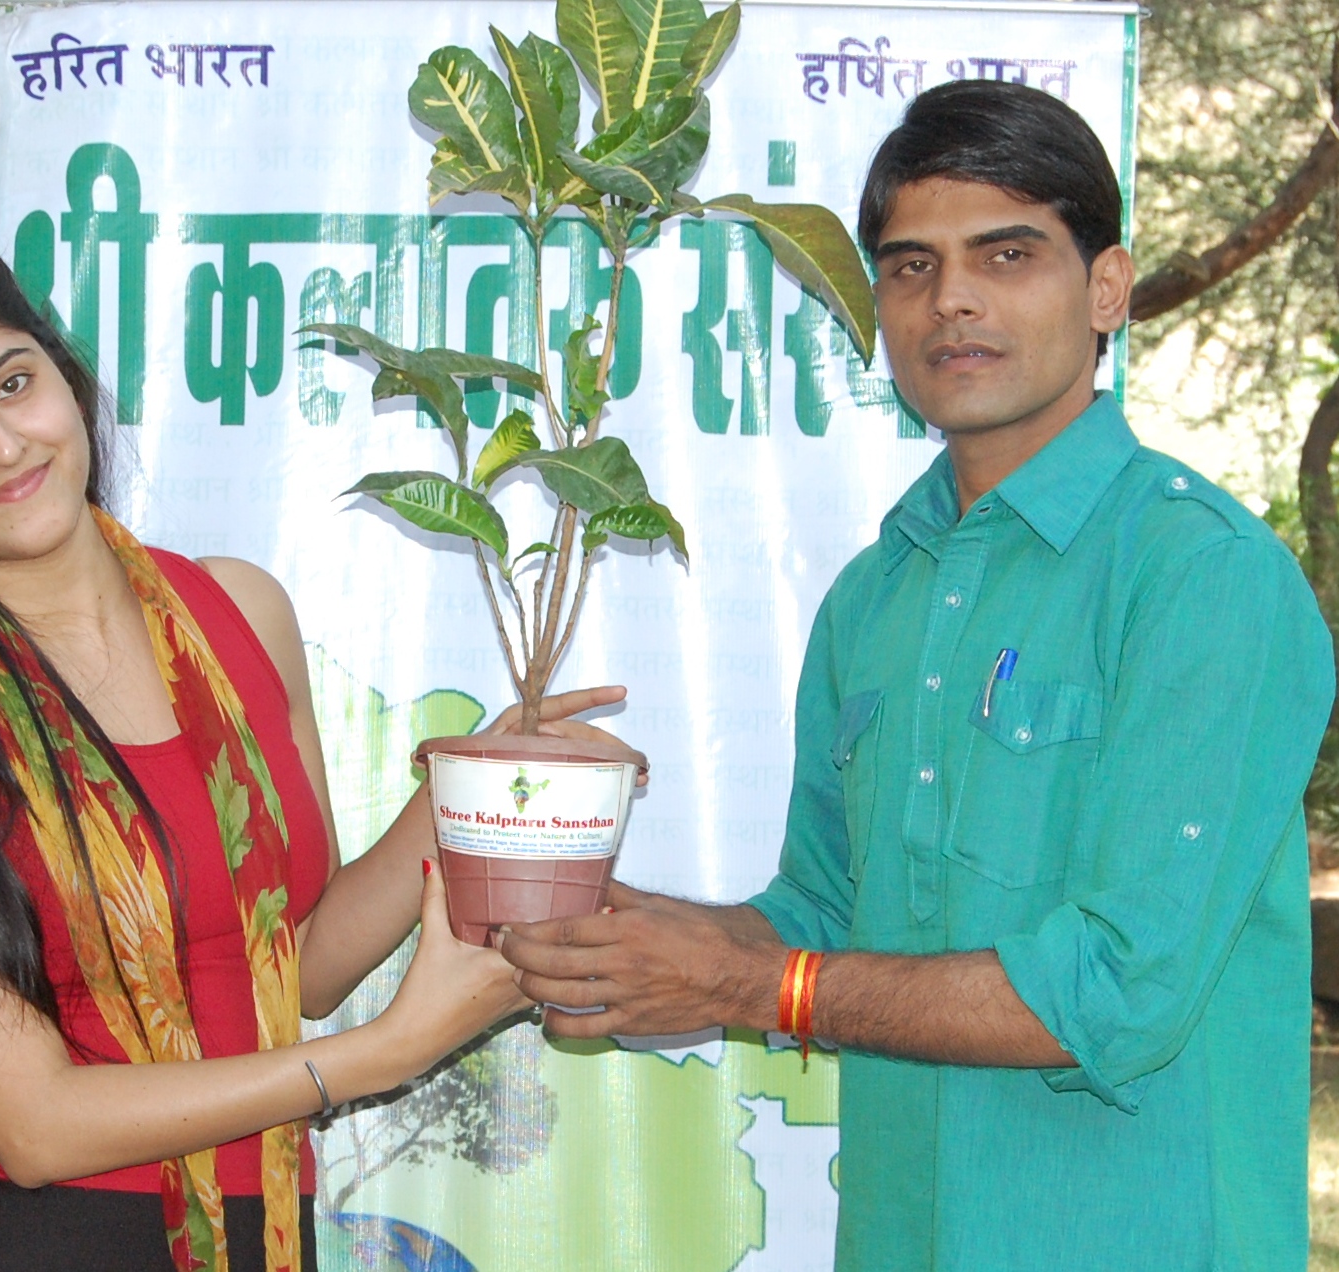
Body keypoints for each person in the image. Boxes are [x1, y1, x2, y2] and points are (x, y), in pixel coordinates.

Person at [499, 79, 1334, 1269]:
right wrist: (632, 939)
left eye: (1006, 254)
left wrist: (750, 988)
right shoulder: (874, 596)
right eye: (909, 267)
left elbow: (1115, 989)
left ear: (1105, 288)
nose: (951, 300)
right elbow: (825, 917)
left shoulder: (1201, 575)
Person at [0, 230, 620, 1272]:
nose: (1, 446)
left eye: (12, 383)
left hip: (262, 1218)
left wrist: (464, 791)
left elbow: (293, 966)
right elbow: (32, 1127)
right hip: (22, 1234)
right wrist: (383, 1053)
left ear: (65, 379)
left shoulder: (239, 614)